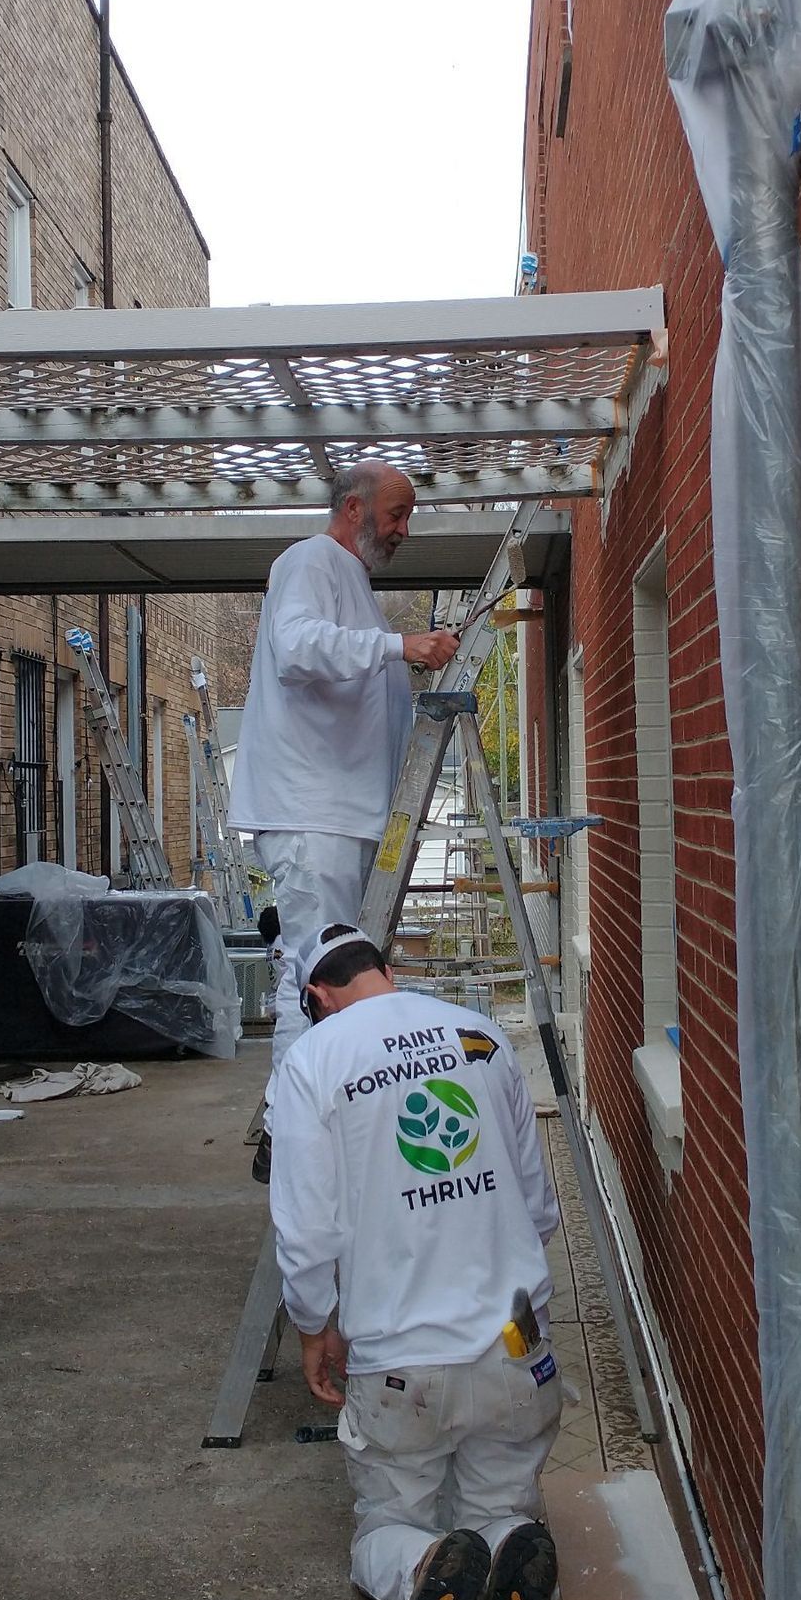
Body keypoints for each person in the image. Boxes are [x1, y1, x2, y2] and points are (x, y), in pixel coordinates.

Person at [269, 922, 564, 1600]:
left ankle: (424, 1569)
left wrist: (313, 1325)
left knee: (388, 1522)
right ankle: (513, 1565)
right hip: (518, 1346)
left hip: (404, 1363)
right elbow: (538, 1207)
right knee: (500, 1507)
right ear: (385, 971)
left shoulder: (315, 1060)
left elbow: (307, 1230)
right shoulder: (480, 1036)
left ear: (317, 996)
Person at [228, 462, 457, 1175]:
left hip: (340, 813)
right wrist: (399, 646)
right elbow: (298, 649)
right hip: (312, 811)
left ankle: (309, 1126)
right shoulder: (310, 561)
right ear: (354, 509)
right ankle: (288, 1136)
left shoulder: (352, 580)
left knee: (326, 970)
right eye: (396, 514)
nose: (403, 530)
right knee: (317, 975)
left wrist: (401, 659)